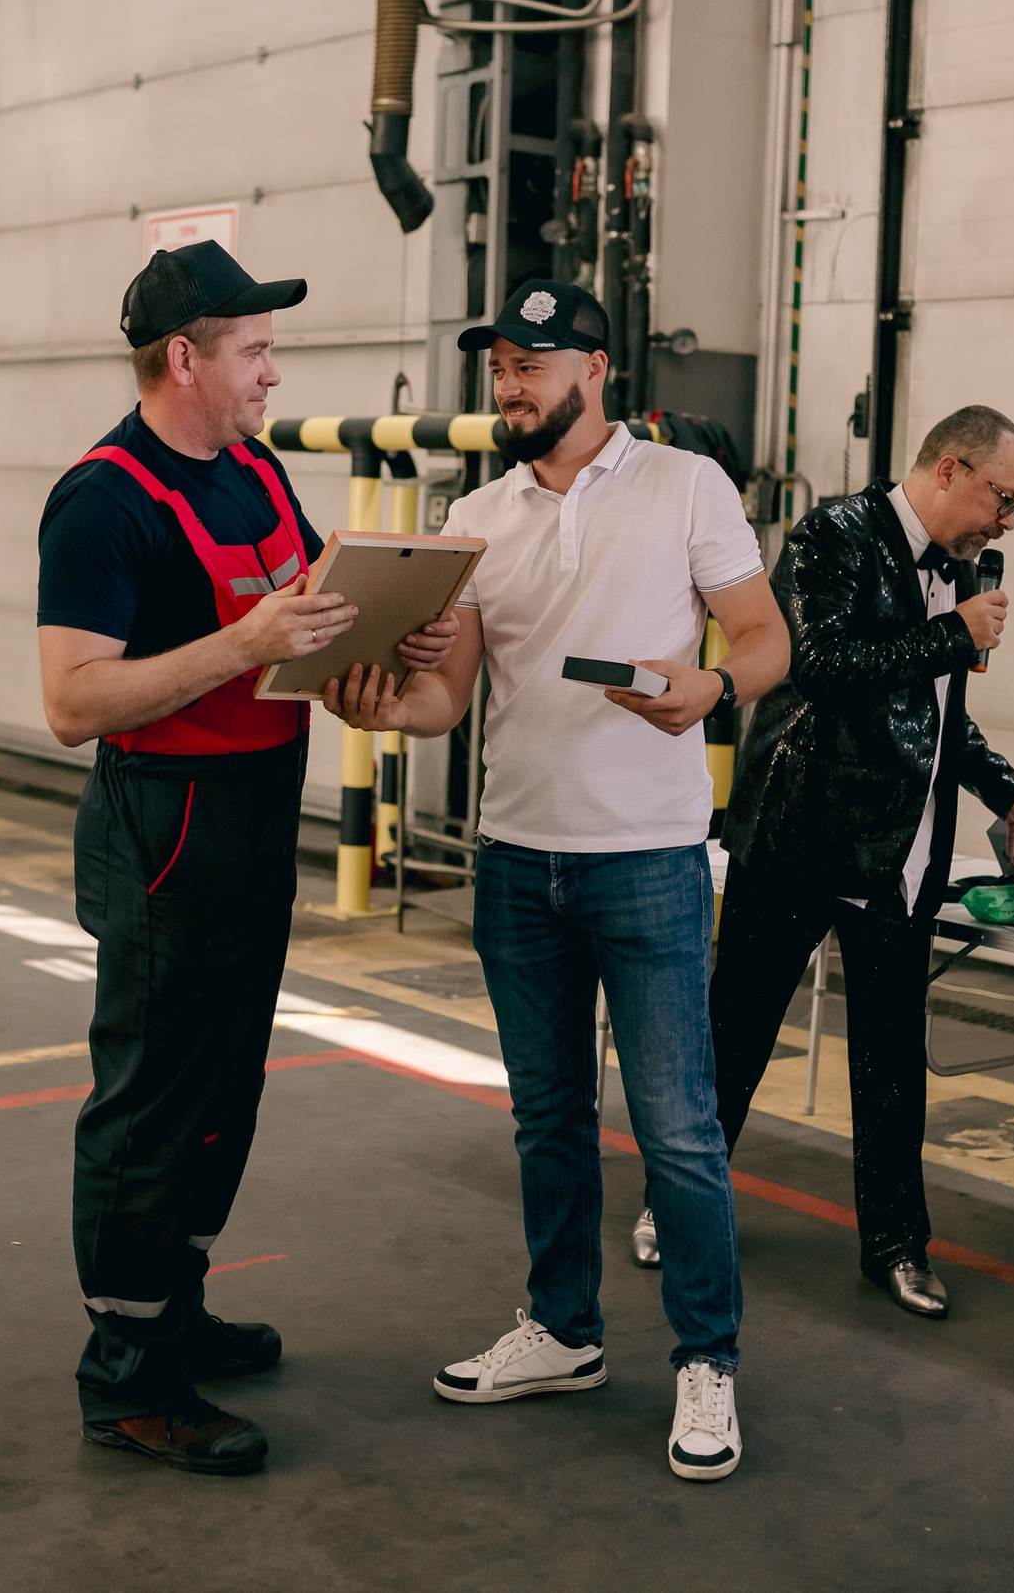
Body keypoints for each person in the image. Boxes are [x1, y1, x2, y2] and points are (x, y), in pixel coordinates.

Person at [324, 279, 789, 1481]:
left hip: (647, 858)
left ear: (596, 370)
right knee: (546, 1117)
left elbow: (765, 638)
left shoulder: (688, 486)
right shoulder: (473, 518)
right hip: (517, 860)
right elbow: (445, 698)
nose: (509, 383)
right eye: (497, 366)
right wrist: (371, 697)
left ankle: (706, 1359)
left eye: (532, 363)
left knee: (678, 1130)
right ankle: (564, 1327)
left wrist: (713, 688)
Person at [35, 241, 454, 1476]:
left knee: (223, 1094)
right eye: (255, 350)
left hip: (255, 818)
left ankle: (177, 1306)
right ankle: (128, 1378)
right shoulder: (103, 500)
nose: (274, 371)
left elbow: (302, 618)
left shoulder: (260, 477)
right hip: (164, 830)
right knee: (153, 1107)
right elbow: (71, 701)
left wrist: (378, 632)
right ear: (185, 357)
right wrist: (244, 641)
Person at [688, 405, 1014, 1321]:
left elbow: (935, 712)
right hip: (800, 832)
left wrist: (1007, 790)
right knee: (735, 1033)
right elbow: (813, 660)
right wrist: (954, 633)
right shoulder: (833, 534)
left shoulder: (959, 578)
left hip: (903, 847)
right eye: (1002, 500)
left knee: (893, 1058)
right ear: (949, 470)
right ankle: (678, 1207)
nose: (1006, 523)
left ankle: (896, 1246)